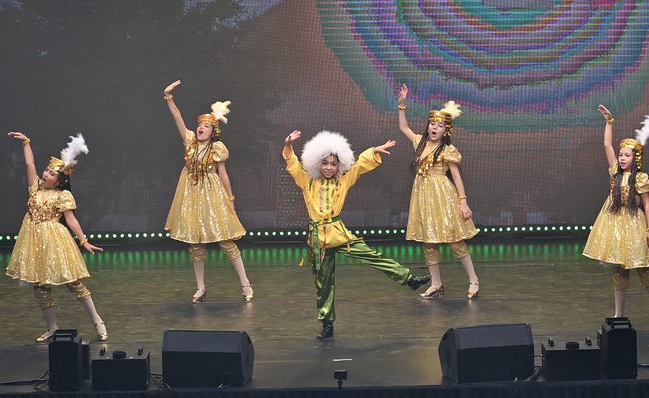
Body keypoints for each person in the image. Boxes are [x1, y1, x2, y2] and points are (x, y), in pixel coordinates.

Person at [283, 130, 430, 339]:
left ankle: (409, 279)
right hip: (318, 241)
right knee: (323, 285)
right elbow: (292, 164)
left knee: (372, 255)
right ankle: (327, 324)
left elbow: (360, 165)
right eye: (325, 163)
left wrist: (374, 151)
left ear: (339, 165)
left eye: (333, 164)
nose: (329, 168)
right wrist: (288, 145)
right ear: (317, 163)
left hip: (339, 235)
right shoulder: (307, 180)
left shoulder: (343, 179)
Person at [5, 132, 108, 342]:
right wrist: (26, 143)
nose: (46, 174)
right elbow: (29, 164)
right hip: (33, 241)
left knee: (74, 283)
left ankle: (97, 320)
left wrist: (84, 241)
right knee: (41, 286)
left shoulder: (63, 195)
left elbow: (71, 220)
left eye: (51, 173)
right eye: (46, 170)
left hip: (55, 241)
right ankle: (52, 327)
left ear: (60, 180)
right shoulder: (34, 188)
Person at [163, 80, 253, 303]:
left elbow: (223, 174)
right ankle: (201, 288)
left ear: (214, 131)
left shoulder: (217, 148)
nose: (201, 128)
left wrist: (230, 199)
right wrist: (168, 97)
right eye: (200, 125)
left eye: (207, 126)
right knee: (196, 244)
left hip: (212, 195)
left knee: (226, 241)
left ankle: (245, 284)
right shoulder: (190, 142)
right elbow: (177, 118)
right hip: (192, 196)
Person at [583, 106, 649, 328]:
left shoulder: (640, 178)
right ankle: (619, 314)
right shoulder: (614, 172)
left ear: (635, 158)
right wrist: (609, 121)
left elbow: (647, 205)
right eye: (621, 155)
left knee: (645, 270)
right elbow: (607, 145)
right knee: (620, 270)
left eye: (626, 155)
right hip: (616, 226)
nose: (621, 158)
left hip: (634, 224)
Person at [397, 86, 480, 299]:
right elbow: (403, 127)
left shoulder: (447, 150)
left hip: (443, 196)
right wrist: (402, 103)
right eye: (432, 123)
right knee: (429, 241)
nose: (435, 127)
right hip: (423, 196)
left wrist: (463, 201)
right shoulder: (420, 142)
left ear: (446, 131)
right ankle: (436, 284)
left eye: (440, 125)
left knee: (455, 240)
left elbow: (457, 177)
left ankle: (473, 280)